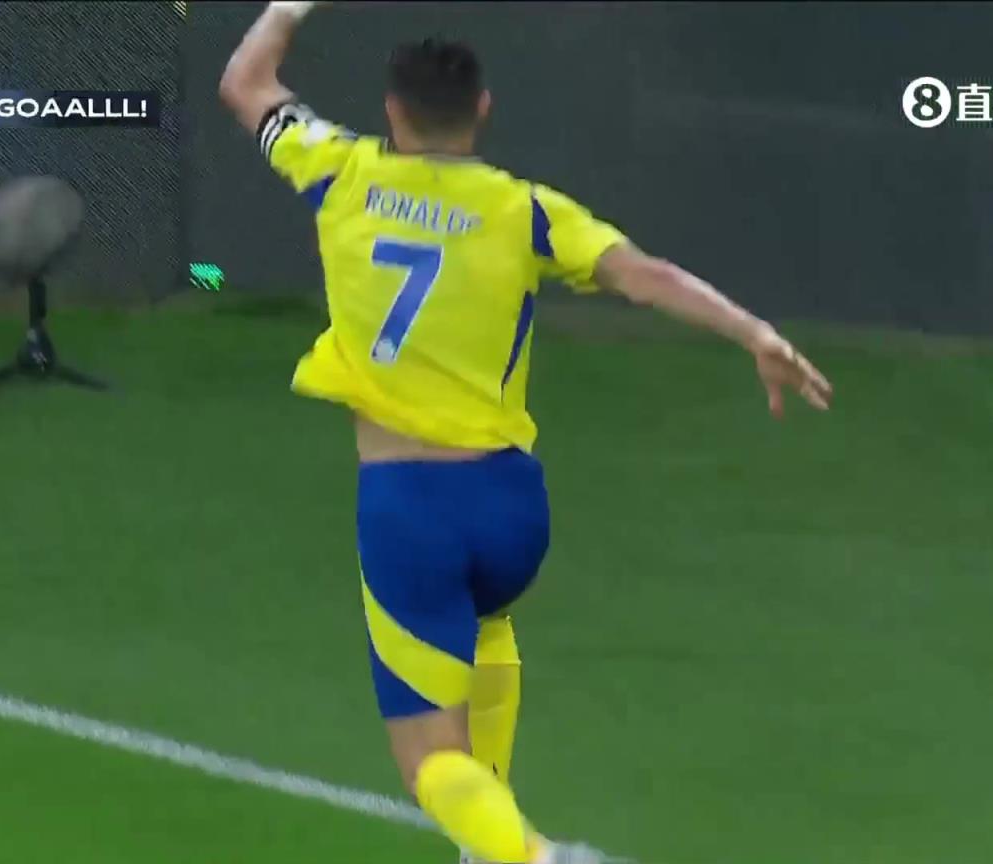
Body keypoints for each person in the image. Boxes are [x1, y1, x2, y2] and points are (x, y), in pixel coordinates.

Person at [219, 4, 833, 862]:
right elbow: (645, 276)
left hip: (410, 508)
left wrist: (290, 6)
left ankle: (536, 858)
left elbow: (245, 83)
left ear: (392, 111)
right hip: (510, 506)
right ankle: (490, 848)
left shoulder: (338, 169)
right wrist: (754, 332)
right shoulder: (525, 211)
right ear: (482, 109)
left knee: (430, 761)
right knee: (486, 630)